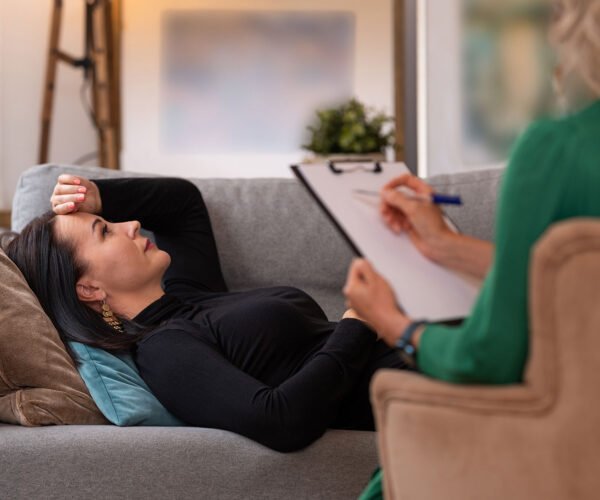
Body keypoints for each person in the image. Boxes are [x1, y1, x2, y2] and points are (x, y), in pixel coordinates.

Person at [343, 0, 600, 496]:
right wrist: (446, 246)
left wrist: (394, 323)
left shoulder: (557, 150)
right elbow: (574, 278)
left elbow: (488, 359)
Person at [1, 174, 412, 453]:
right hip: (413, 389)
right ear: (89, 288)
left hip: (419, 348)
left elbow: (183, 204)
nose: (132, 224)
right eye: (105, 231)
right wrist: (359, 323)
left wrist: (97, 196)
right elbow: (281, 421)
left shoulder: (187, 294)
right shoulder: (165, 350)